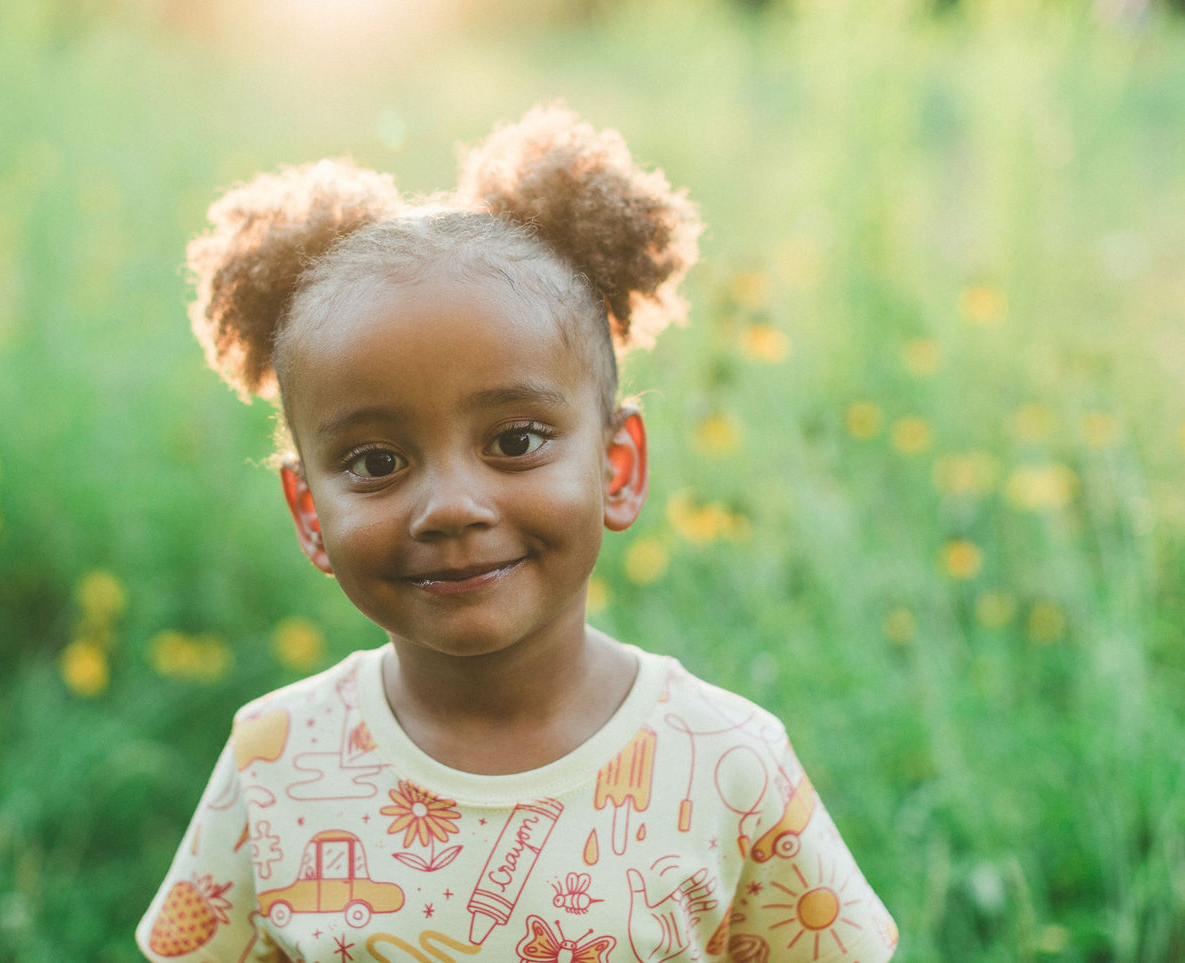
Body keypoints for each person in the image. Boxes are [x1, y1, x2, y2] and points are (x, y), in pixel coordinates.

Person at [137, 106, 897, 963]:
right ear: (310, 512)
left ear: (616, 468)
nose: (451, 505)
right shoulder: (274, 760)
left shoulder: (724, 759)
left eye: (514, 441)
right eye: (376, 459)